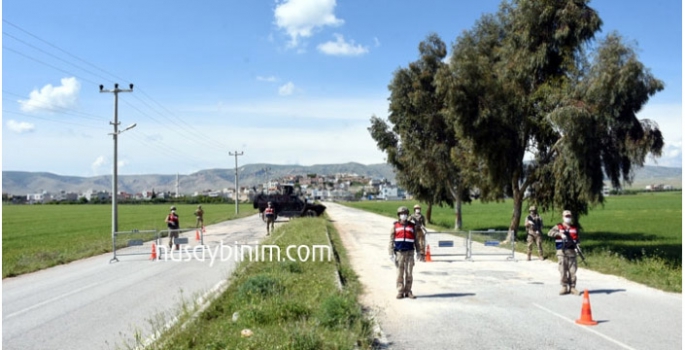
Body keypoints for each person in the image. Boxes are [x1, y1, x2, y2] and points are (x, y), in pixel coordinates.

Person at [388, 206, 420, 299]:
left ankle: (408, 291)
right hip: (399, 253)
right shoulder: (395, 226)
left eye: (405, 214)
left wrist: (419, 251)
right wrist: (390, 253)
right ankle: (400, 291)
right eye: (402, 214)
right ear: (399, 215)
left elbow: (416, 240)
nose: (403, 215)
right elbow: (391, 240)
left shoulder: (412, 226)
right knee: (399, 273)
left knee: (409, 273)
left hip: (410, 252)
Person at [547, 210, 580, 295]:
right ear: (563, 217)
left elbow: (577, 239)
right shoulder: (559, 226)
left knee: (573, 271)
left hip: (572, 252)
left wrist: (578, 247)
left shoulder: (574, 228)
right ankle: (564, 287)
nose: (568, 218)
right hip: (562, 252)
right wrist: (559, 234)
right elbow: (550, 233)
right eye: (566, 216)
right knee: (563, 270)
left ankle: (573, 287)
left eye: (569, 216)